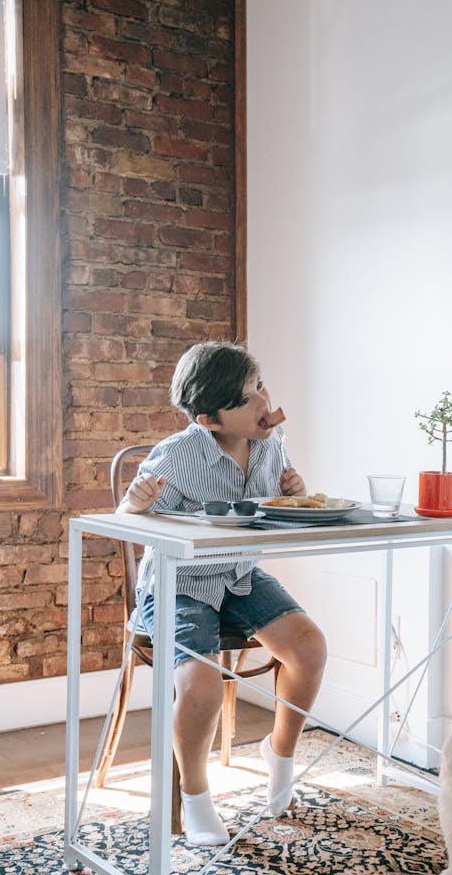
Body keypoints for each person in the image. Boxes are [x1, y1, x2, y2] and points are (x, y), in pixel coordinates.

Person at [117, 340, 327, 845]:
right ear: (211, 419)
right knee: (201, 685)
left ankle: (280, 755)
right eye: (248, 397)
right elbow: (129, 521)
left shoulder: (270, 443)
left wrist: (293, 494)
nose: (264, 401)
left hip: (238, 575)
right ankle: (195, 796)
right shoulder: (177, 455)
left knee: (309, 646)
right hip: (180, 582)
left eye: (260, 386)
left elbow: (275, 507)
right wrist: (135, 502)